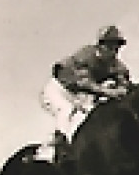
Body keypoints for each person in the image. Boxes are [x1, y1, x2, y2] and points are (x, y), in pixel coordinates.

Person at [36, 25, 133, 163]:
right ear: (100, 46)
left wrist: (124, 88)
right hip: (58, 90)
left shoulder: (117, 66)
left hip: (78, 96)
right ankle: (49, 151)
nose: (114, 51)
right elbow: (84, 83)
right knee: (66, 110)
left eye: (116, 47)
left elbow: (126, 84)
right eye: (110, 46)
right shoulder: (85, 55)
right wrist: (110, 91)